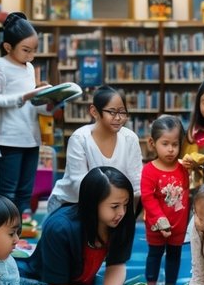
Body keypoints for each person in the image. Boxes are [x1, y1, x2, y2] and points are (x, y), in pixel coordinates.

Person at [25, 166, 136, 285]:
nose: (122, 212)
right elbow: (56, 284)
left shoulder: (122, 221)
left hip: (83, 283)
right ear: (93, 203)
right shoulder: (60, 227)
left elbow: (117, 263)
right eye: (114, 206)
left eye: (125, 204)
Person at [0, 12, 53, 217]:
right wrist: (22, 97)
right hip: (10, 139)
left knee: (25, 194)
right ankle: (5, 234)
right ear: (8, 47)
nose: (31, 56)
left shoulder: (29, 68)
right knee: (8, 194)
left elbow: (30, 104)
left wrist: (48, 100)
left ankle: (19, 235)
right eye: (26, 50)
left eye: (34, 50)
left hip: (31, 138)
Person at [47, 85, 142, 213]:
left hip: (113, 207)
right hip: (72, 204)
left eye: (122, 112)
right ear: (94, 111)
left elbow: (136, 183)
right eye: (112, 112)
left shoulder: (130, 139)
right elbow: (79, 185)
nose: (119, 118)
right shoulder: (80, 138)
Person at [139, 115, 191, 285]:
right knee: (154, 254)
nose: (171, 149)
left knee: (174, 255)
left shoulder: (183, 168)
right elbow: (147, 198)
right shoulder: (149, 171)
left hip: (178, 224)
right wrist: (160, 220)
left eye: (175, 144)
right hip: (156, 225)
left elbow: (186, 193)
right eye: (165, 143)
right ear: (152, 143)